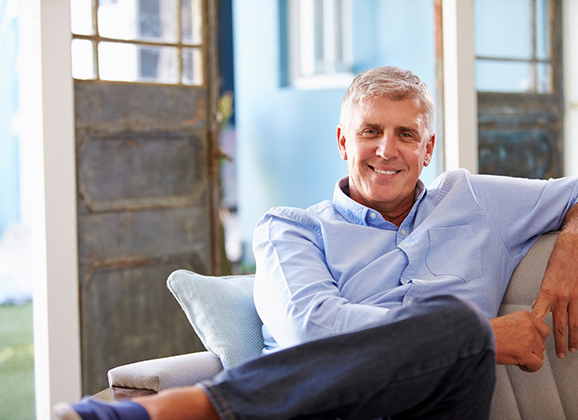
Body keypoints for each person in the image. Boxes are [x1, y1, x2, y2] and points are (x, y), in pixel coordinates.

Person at [52, 66, 578, 420]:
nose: (387, 150)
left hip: (443, 406)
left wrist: (570, 246)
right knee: (457, 324)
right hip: (327, 409)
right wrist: (483, 336)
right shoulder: (292, 228)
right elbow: (309, 331)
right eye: (370, 131)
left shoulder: (474, 199)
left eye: (407, 135)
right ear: (343, 140)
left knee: (455, 327)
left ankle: (176, 413)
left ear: (429, 148)